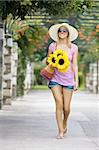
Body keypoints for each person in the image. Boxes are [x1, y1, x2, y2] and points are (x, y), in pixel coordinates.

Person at [46, 23, 79, 139]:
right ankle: (60, 130)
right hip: (55, 78)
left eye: (64, 31)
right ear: (57, 33)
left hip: (69, 79)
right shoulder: (52, 46)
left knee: (66, 108)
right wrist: (53, 61)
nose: (62, 32)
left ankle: (65, 122)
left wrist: (77, 80)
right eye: (60, 30)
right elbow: (48, 60)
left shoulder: (74, 48)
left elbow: (75, 65)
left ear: (68, 33)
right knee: (59, 103)